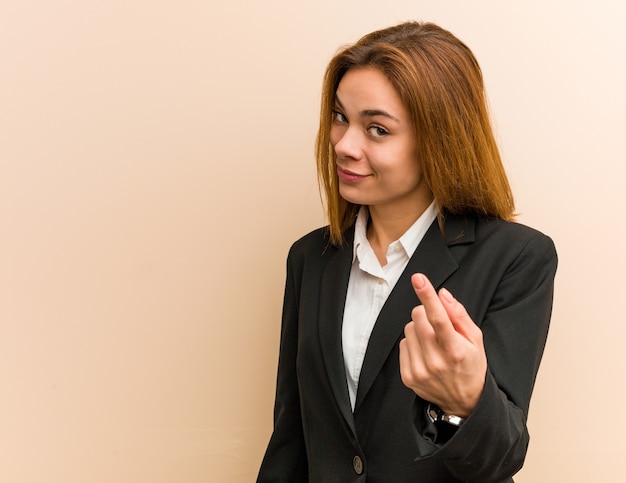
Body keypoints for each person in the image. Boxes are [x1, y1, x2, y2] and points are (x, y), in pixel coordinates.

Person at [257, 21, 557, 483]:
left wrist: (464, 401)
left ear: (438, 139)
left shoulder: (516, 258)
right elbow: (292, 437)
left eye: (377, 129)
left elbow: (500, 458)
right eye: (340, 117)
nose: (343, 144)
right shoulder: (309, 259)